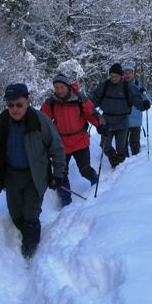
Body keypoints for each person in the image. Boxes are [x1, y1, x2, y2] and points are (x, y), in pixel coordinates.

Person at [0, 83, 66, 259]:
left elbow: (56, 147)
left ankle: (30, 247)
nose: (14, 109)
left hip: (35, 175)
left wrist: (58, 173)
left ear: (28, 101)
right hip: (11, 174)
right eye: (10, 105)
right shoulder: (1, 123)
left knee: (31, 213)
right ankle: (25, 228)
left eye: (19, 104)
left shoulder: (40, 120)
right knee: (15, 212)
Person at [41, 73, 106, 207]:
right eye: (56, 87)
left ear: (67, 86)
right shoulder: (51, 102)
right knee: (61, 173)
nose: (58, 90)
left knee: (85, 169)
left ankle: (96, 182)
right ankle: (66, 199)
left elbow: (92, 113)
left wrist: (100, 125)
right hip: (61, 145)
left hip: (80, 141)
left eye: (61, 87)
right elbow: (42, 120)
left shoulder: (79, 99)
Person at [92, 63, 150, 168]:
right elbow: (94, 99)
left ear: (120, 76)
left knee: (121, 148)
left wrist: (143, 105)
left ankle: (122, 169)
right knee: (105, 145)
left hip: (122, 122)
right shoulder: (104, 86)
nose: (113, 78)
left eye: (116, 76)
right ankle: (115, 160)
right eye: (112, 76)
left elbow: (136, 99)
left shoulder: (127, 87)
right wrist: (86, 108)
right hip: (107, 121)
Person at [123, 63, 152, 156]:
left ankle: (136, 161)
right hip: (123, 119)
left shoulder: (138, 85)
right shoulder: (120, 86)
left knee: (134, 141)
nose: (127, 75)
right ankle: (124, 161)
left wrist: (146, 102)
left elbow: (147, 98)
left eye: (129, 72)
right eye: (125, 73)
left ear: (133, 74)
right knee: (122, 142)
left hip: (136, 119)